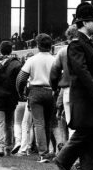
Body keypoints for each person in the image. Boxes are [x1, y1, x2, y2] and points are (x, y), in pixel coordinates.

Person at [54, 2, 93, 170]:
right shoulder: (76, 45)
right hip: (86, 96)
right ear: (84, 22)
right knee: (85, 131)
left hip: (90, 96)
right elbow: (81, 69)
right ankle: (63, 159)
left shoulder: (87, 44)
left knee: (92, 132)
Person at [17, 33, 61, 163]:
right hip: (50, 92)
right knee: (48, 123)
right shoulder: (55, 60)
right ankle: (47, 150)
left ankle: (43, 153)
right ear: (51, 46)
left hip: (35, 91)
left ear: (37, 45)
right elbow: (60, 77)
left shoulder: (32, 60)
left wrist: (21, 92)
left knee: (38, 123)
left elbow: (21, 79)